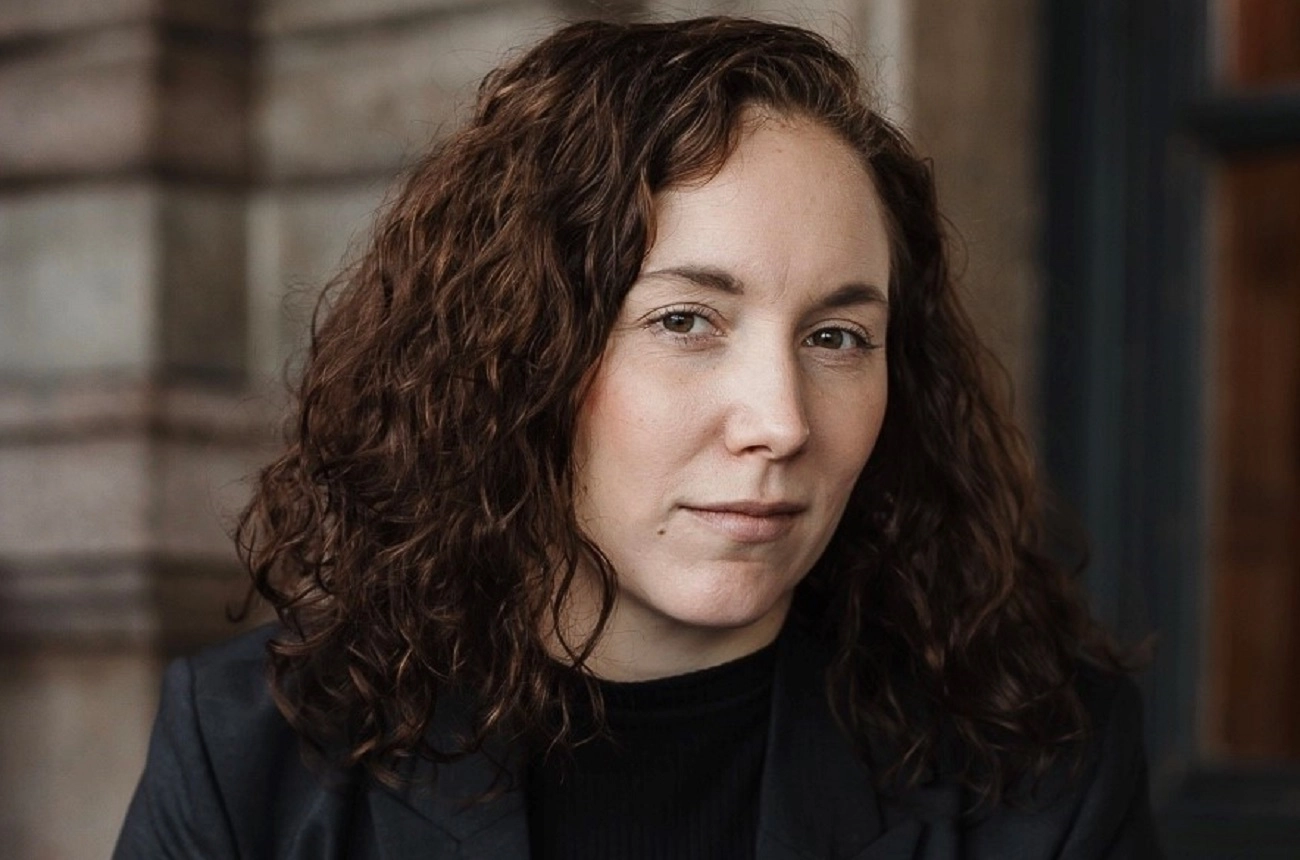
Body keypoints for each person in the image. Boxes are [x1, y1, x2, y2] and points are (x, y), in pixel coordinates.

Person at [114, 16, 1160, 859]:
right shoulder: (250, 754)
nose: (781, 422)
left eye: (837, 337)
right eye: (684, 321)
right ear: (517, 352)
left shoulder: (1036, 766)